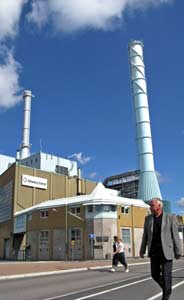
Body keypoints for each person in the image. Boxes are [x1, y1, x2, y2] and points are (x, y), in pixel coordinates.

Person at [140, 197, 182, 300]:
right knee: (154, 275)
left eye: (152, 205)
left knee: (166, 276)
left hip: (166, 252)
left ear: (159, 206)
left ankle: (166, 295)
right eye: (150, 205)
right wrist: (142, 250)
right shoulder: (148, 219)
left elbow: (175, 236)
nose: (150, 207)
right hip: (154, 252)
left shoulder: (170, 217)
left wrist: (178, 251)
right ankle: (167, 289)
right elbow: (145, 235)